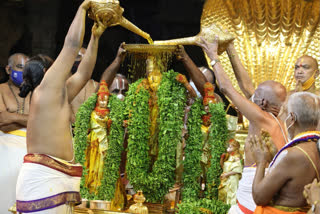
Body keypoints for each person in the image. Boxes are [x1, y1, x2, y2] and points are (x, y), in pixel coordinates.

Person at [15, 1, 108, 212]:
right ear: (47, 72)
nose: (65, 66)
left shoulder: (58, 95)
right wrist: (82, 8)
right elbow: (71, 47)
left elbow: (84, 74)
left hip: (58, 179)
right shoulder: (45, 91)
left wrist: (95, 37)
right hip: (43, 180)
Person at [197, 36, 287, 214]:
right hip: (261, 192)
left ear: (261, 102)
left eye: (255, 96)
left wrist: (212, 55)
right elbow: (246, 87)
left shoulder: (261, 118)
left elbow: (226, 88)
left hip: (251, 200)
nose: (250, 96)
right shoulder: (281, 117)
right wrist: (231, 48)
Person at [250, 92, 320, 214]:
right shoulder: (314, 145)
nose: (282, 117)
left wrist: (261, 161)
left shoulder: (294, 155)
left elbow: (259, 197)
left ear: (292, 118)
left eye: (284, 112)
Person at [0, 53, 29, 213]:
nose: (23, 73)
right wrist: (29, 118)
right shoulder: (1, 89)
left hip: (31, 151)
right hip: (4, 149)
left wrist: (12, 117)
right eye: (20, 67)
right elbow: (2, 121)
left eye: (27, 69)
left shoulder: (35, 93)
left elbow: (40, 121)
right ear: (8, 69)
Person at [219, 139, 242, 205]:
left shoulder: (237, 157)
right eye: (228, 146)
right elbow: (223, 166)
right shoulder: (229, 156)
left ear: (235, 148)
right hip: (226, 178)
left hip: (232, 179)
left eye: (230, 147)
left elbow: (238, 169)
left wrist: (227, 174)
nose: (228, 148)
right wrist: (222, 159)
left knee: (231, 194)